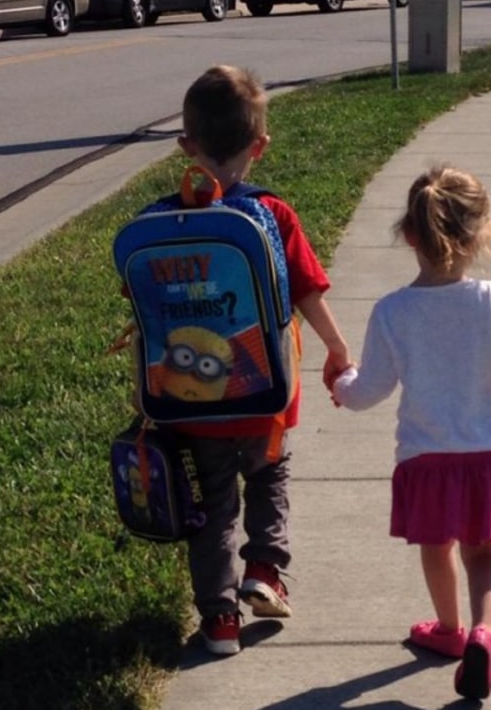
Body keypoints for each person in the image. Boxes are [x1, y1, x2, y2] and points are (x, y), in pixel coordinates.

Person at [131, 64, 351, 656]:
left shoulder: (158, 226)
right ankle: (264, 572)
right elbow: (306, 292)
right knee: (269, 479)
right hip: (266, 401)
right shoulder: (274, 217)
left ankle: (220, 619)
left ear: (186, 145)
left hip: (192, 403)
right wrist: (336, 346)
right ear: (260, 147)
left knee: (214, 506)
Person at [330, 166, 491, 700]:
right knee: (484, 556)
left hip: (424, 460)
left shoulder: (393, 311)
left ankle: (448, 630)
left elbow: (370, 389)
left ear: (409, 234)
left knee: (436, 548)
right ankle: (484, 633)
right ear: (479, 234)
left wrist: (342, 387)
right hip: (486, 458)